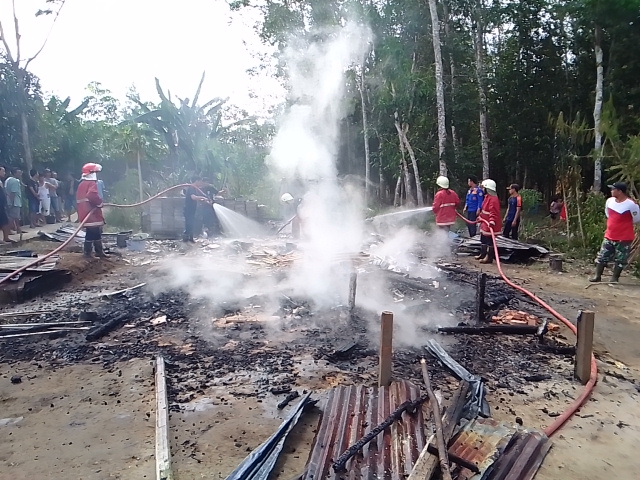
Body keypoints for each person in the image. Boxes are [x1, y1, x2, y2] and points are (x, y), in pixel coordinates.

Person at [590, 182, 640, 283]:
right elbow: (607, 213)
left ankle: (614, 278)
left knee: (620, 259)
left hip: (624, 237)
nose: (611, 191)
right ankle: (597, 276)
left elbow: (636, 218)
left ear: (620, 191)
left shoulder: (631, 204)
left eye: (613, 189)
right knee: (602, 256)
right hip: (609, 235)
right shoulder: (610, 201)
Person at [77, 163, 107, 258]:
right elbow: (92, 195)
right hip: (91, 213)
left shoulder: (82, 184)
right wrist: (99, 203)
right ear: (92, 173)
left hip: (85, 212)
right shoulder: (91, 183)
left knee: (95, 231)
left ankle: (98, 252)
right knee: (92, 232)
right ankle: (88, 253)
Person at [476, 179, 502, 264]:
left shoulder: (494, 199)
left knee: (490, 241)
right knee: (483, 238)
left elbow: (493, 212)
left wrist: (491, 221)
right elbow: (484, 210)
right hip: (484, 223)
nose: (482, 189)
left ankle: (489, 257)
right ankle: (482, 254)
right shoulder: (487, 197)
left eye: (484, 188)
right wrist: (480, 217)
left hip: (490, 224)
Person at [183, 177, 210, 243]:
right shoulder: (191, 188)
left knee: (191, 224)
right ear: (196, 181)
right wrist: (203, 197)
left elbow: (196, 198)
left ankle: (190, 239)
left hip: (191, 210)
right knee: (189, 224)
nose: (200, 183)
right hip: (188, 210)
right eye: (200, 181)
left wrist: (203, 199)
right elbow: (193, 197)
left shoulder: (194, 189)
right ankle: (186, 239)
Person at [5, 166, 23, 235]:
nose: (20, 174)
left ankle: (18, 228)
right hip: (15, 202)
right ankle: (8, 230)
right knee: (12, 217)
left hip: (10, 201)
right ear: (14, 173)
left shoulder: (8, 180)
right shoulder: (15, 181)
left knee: (15, 217)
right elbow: (13, 193)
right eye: (18, 172)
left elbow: (6, 191)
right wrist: (12, 202)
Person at [0, 167, 15, 243]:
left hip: (2, 204)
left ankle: (6, 237)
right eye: (3, 171)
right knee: (4, 221)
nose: (4, 173)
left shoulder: (1, 182)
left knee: (5, 221)